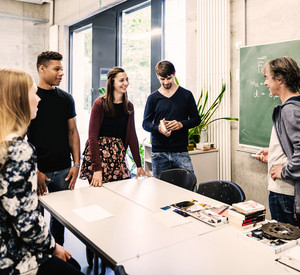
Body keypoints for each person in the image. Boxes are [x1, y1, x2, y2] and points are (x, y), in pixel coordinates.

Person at [0, 68, 83, 275]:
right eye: (32, 92)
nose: (37, 98)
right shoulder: (18, 150)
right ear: (19, 99)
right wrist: (54, 248)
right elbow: (27, 224)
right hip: (15, 260)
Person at [79, 66, 149, 267]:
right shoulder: (99, 104)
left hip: (117, 158)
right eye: (121, 80)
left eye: (127, 79)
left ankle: (113, 252)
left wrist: (138, 164)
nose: (125, 83)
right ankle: (92, 254)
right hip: (99, 158)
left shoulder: (129, 106)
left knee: (118, 207)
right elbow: (92, 137)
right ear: (112, 83)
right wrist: (97, 168)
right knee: (98, 209)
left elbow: (131, 136)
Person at [27, 51, 81, 246]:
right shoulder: (30, 99)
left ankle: (59, 254)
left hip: (64, 170)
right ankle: (42, 257)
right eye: (56, 69)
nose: (61, 73)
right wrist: (35, 169)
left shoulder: (66, 99)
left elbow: (73, 132)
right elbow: (21, 138)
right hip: (38, 171)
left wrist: (76, 164)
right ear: (42, 69)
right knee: (36, 217)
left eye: (62, 69)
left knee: (60, 220)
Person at [256, 56, 300, 227]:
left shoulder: (290, 110)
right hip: (285, 194)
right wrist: (273, 152)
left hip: (285, 193)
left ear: (280, 79)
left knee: (286, 248)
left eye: (267, 77)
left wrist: (285, 171)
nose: (265, 83)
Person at [142, 60, 201, 178]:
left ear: (174, 74)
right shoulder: (153, 98)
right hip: (159, 153)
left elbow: (196, 119)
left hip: (181, 151)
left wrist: (181, 124)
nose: (166, 82)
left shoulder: (186, 95)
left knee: (190, 186)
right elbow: (145, 124)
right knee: (161, 190)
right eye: (162, 79)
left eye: (169, 78)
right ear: (158, 77)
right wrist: (158, 128)